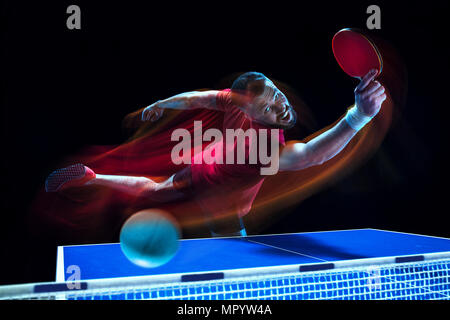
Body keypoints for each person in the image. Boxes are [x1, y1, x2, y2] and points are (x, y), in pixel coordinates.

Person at [45, 70, 386, 237]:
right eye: (269, 107)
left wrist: (158, 104)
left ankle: (95, 177)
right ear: (251, 112)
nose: (281, 105)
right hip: (221, 198)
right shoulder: (264, 149)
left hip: (202, 165)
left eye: (278, 94)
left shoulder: (234, 101)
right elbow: (312, 154)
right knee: (232, 253)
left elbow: (195, 98)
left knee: (155, 188)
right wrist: (360, 116)